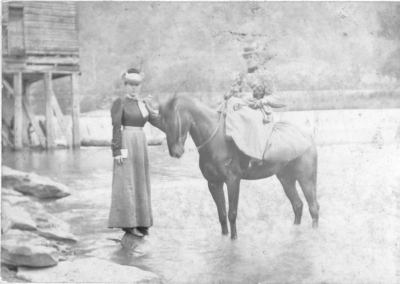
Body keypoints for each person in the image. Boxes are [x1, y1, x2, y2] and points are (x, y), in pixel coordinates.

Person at [108, 68, 162, 238]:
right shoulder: (120, 102)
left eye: (136, 85)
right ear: (125, 85)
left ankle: (142, 221)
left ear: (140, 86)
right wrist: (117, 150)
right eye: (130, 84)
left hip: (141, 142)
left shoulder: (143, 103)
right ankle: (128, 224)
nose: (133, 88)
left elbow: (156, 121)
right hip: (126, 141)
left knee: (140, 180)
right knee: (127, 181)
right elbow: (116, 127)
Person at [224, 44, 280, 123]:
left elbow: (272, 95)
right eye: (246, 58)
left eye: (251, 57)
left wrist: (262, 101)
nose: (248, 60)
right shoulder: (240, 76)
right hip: (241, 107)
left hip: (258, 109)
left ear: (257, 59)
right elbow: (231, 92)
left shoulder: (266, 75)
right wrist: (230, 93)